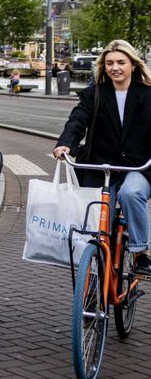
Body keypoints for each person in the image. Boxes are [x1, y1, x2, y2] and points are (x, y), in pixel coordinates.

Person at [53, 39, 151, 276]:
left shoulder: (148, 95)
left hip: (137, 167)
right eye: (109, 63)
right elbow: (77, 120)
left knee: (132, 194)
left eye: (120, 62)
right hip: (101, 166)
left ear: (133, 65)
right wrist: (66, 144)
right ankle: (94, 272)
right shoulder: (93, 93)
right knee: (97, 216)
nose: (114, 67)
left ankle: (140, 252)